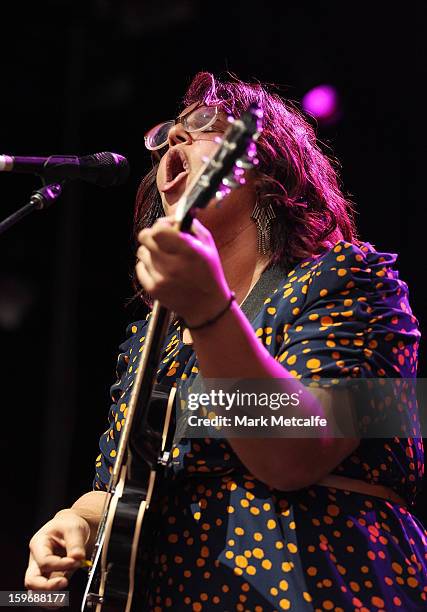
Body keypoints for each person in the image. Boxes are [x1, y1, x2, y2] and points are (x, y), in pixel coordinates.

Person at [25, 72, 427, 611]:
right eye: (169, 132)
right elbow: (127, 482)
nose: (174, 138)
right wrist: (77, 519)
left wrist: (211, 313)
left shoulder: (351, 279)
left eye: (200, 127)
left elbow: (298, 453)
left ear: (261, 166)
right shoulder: (153, 338)